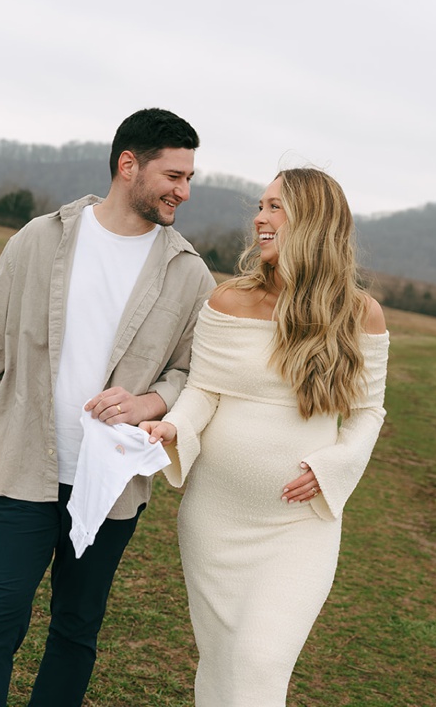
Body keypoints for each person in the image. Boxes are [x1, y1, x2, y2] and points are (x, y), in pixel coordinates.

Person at [0, 108, 214, 707]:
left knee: (76, 629)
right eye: (174, 176)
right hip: (19, 468)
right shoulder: (40, 240)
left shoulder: (189, 274)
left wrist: (148, 400)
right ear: (127, 165)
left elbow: (197, 374)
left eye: (190, 178)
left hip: (108, 484)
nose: (183, 192)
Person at [142, 167, 390, 706]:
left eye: (276, 206)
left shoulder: (360, 315)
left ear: (314, 221)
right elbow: (204, 392)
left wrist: (334, 467)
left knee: (260, 663)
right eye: (261, 205)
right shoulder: (228, 302)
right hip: (215, 519)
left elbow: (369, 412)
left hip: (297, 526)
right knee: (223, 664)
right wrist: (173, 426)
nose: (259, 217)